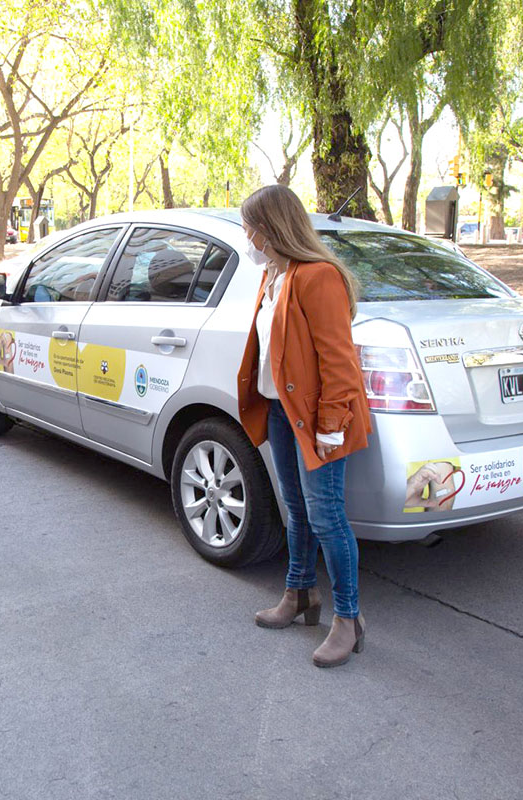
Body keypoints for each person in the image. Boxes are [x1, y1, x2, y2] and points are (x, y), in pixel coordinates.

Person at [236, 184, 373, 668]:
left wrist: (332, 424)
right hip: (279, 411)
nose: (246, 234)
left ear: (271, 228)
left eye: (249, 225)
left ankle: (349, 618)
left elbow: (340, 362)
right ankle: (299, 595)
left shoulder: (319, 277)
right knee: (295, 510)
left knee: (326, 515)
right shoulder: (275, 275)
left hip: (317, 421)